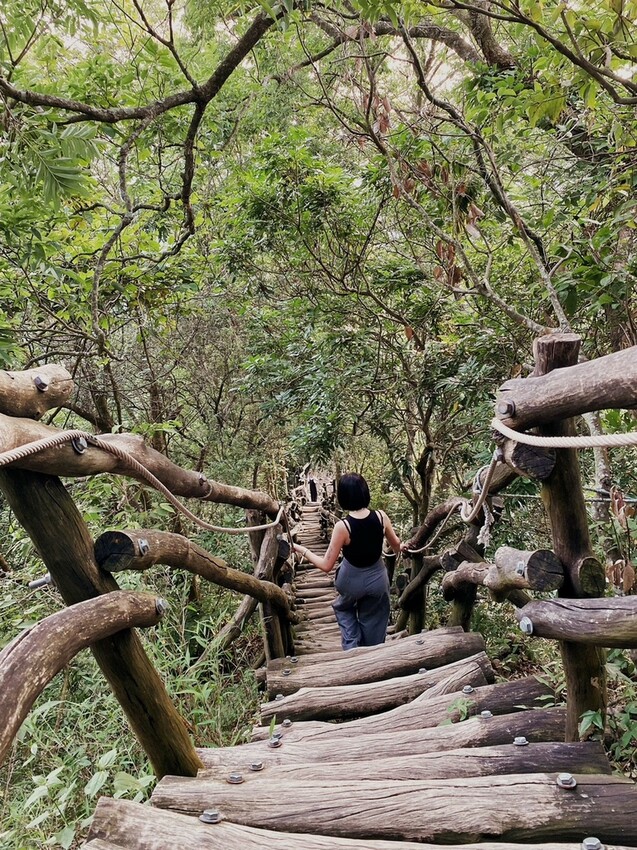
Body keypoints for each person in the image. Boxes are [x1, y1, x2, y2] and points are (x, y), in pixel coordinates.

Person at [293, 472, 403, 650]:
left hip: (350, 581)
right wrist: (406, 545)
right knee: (374, 618)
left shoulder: (343, 527)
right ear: (365, 492)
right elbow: (397, 546)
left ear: (342, 497)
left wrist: (302, 549)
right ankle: (372, 652)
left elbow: (326, 565)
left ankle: (352, 647)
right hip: (378, 581)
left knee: (344, 608)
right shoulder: (382, 517)